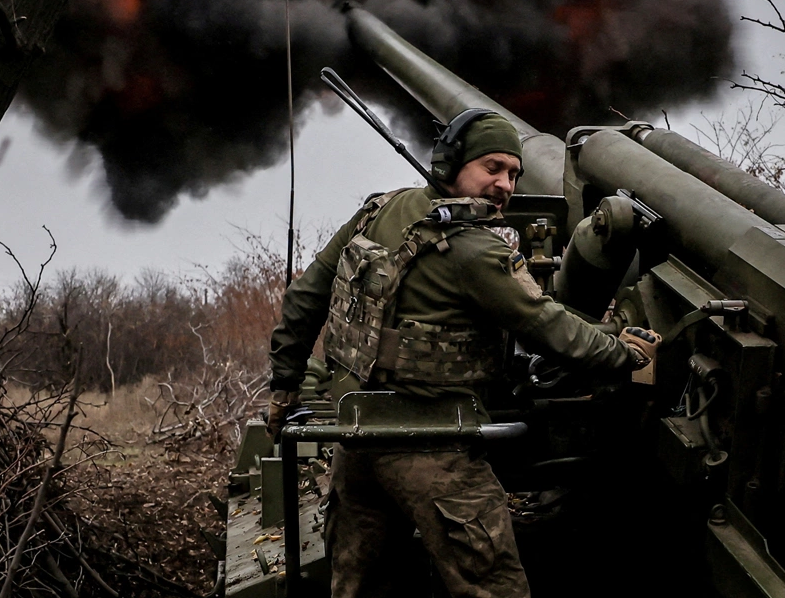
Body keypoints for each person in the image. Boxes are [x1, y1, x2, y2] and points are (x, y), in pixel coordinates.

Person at [266, 111, 659, 598]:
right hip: (434, 450)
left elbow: (305, 296)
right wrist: (624, 354)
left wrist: (284, 386)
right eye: (492, 168)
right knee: (494, 587)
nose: (505, 185)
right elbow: (548, 329)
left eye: (513, 174)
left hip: (357, 440)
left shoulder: (378, 210)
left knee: (359, 586)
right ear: (450, 164)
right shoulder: (476, 250)